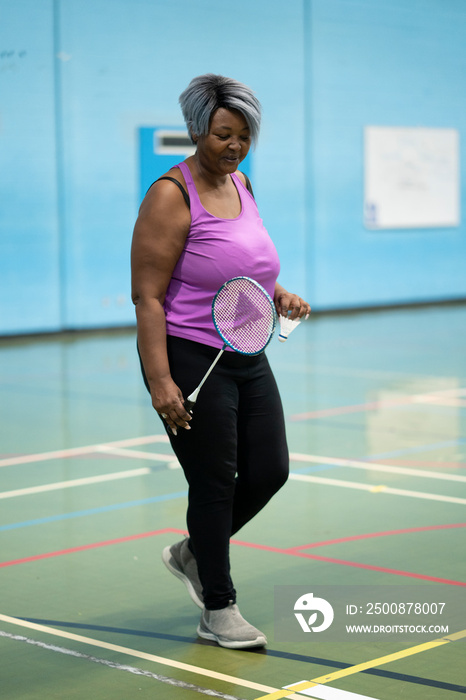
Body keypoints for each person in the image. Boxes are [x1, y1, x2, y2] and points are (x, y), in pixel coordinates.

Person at [131, 74, 310, 649]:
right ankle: (218, 608)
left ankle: (192, 552)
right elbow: (149, 296)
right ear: (196, 131)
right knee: (212, 482)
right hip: (189, 358)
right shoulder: (170, 194)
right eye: (222, 135)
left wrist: (276, 290)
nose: (233, 147)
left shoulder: (243, 184)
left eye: (243, 136)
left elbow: (241, 260)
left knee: (270, 470)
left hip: (245, 349)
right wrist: (161, 381)